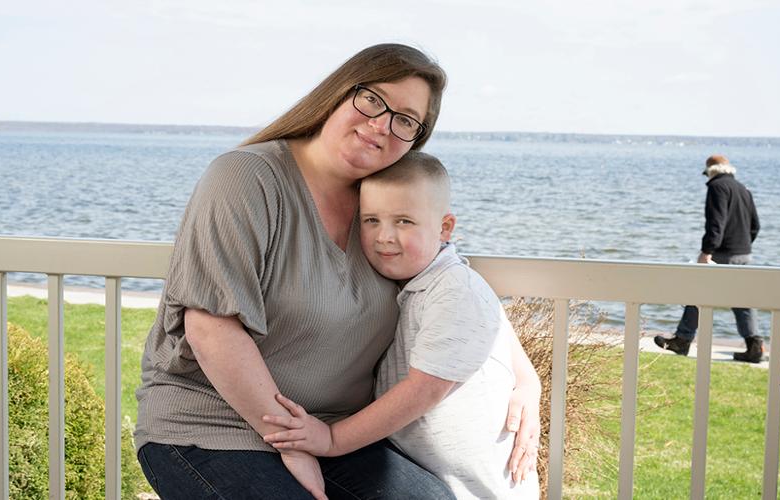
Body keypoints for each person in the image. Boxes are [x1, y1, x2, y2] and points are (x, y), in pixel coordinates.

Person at [133, 43, 541, 499]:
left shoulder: (382, 206)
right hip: (211, 427)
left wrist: (526, 378)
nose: (381, 125)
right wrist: (293, 446)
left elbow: (451, 281)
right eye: (372, 99)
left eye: (404, 120)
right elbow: (211, 330)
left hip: (337, 434)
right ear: (339, 92)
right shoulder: (246, 178)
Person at [262, 152, 542, 499]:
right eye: (371, 220)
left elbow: (423, 389)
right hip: (429, 474)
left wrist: (331, 439)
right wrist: (531, 380)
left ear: (444, 228)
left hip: (482, 489)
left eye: (404, 221)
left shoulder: (454, 290)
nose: (385, 237)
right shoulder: (416, 280)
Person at [654, 154, 762, 363]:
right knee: (744, 302)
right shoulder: (743, 189)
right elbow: (755, 226)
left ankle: (683, 340)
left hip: (723, 253)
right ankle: (754, 347)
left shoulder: (716, 187)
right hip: (744, 253)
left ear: (710, 171)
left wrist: (707, 251)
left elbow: (716, 223)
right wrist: (743, 245)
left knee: (698, 293)